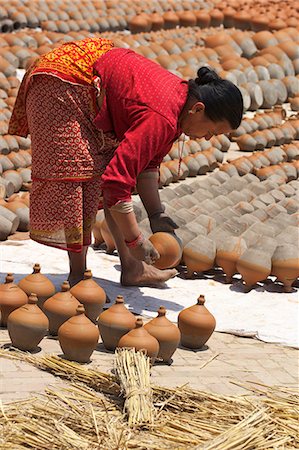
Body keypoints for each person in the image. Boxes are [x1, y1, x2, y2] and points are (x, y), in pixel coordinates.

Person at [9, 37, 243, 287]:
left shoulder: (178, 108)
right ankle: (78, 277)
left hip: (90, 83)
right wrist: (136, 239)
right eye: (212, 130)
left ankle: (132, 269)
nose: (207, 138)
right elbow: (116, 183)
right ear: (197, 109)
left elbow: (146, 167)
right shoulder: (161, 116)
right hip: (61, 82)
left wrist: (156, 214)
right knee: (80, 175)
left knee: (108, 169)